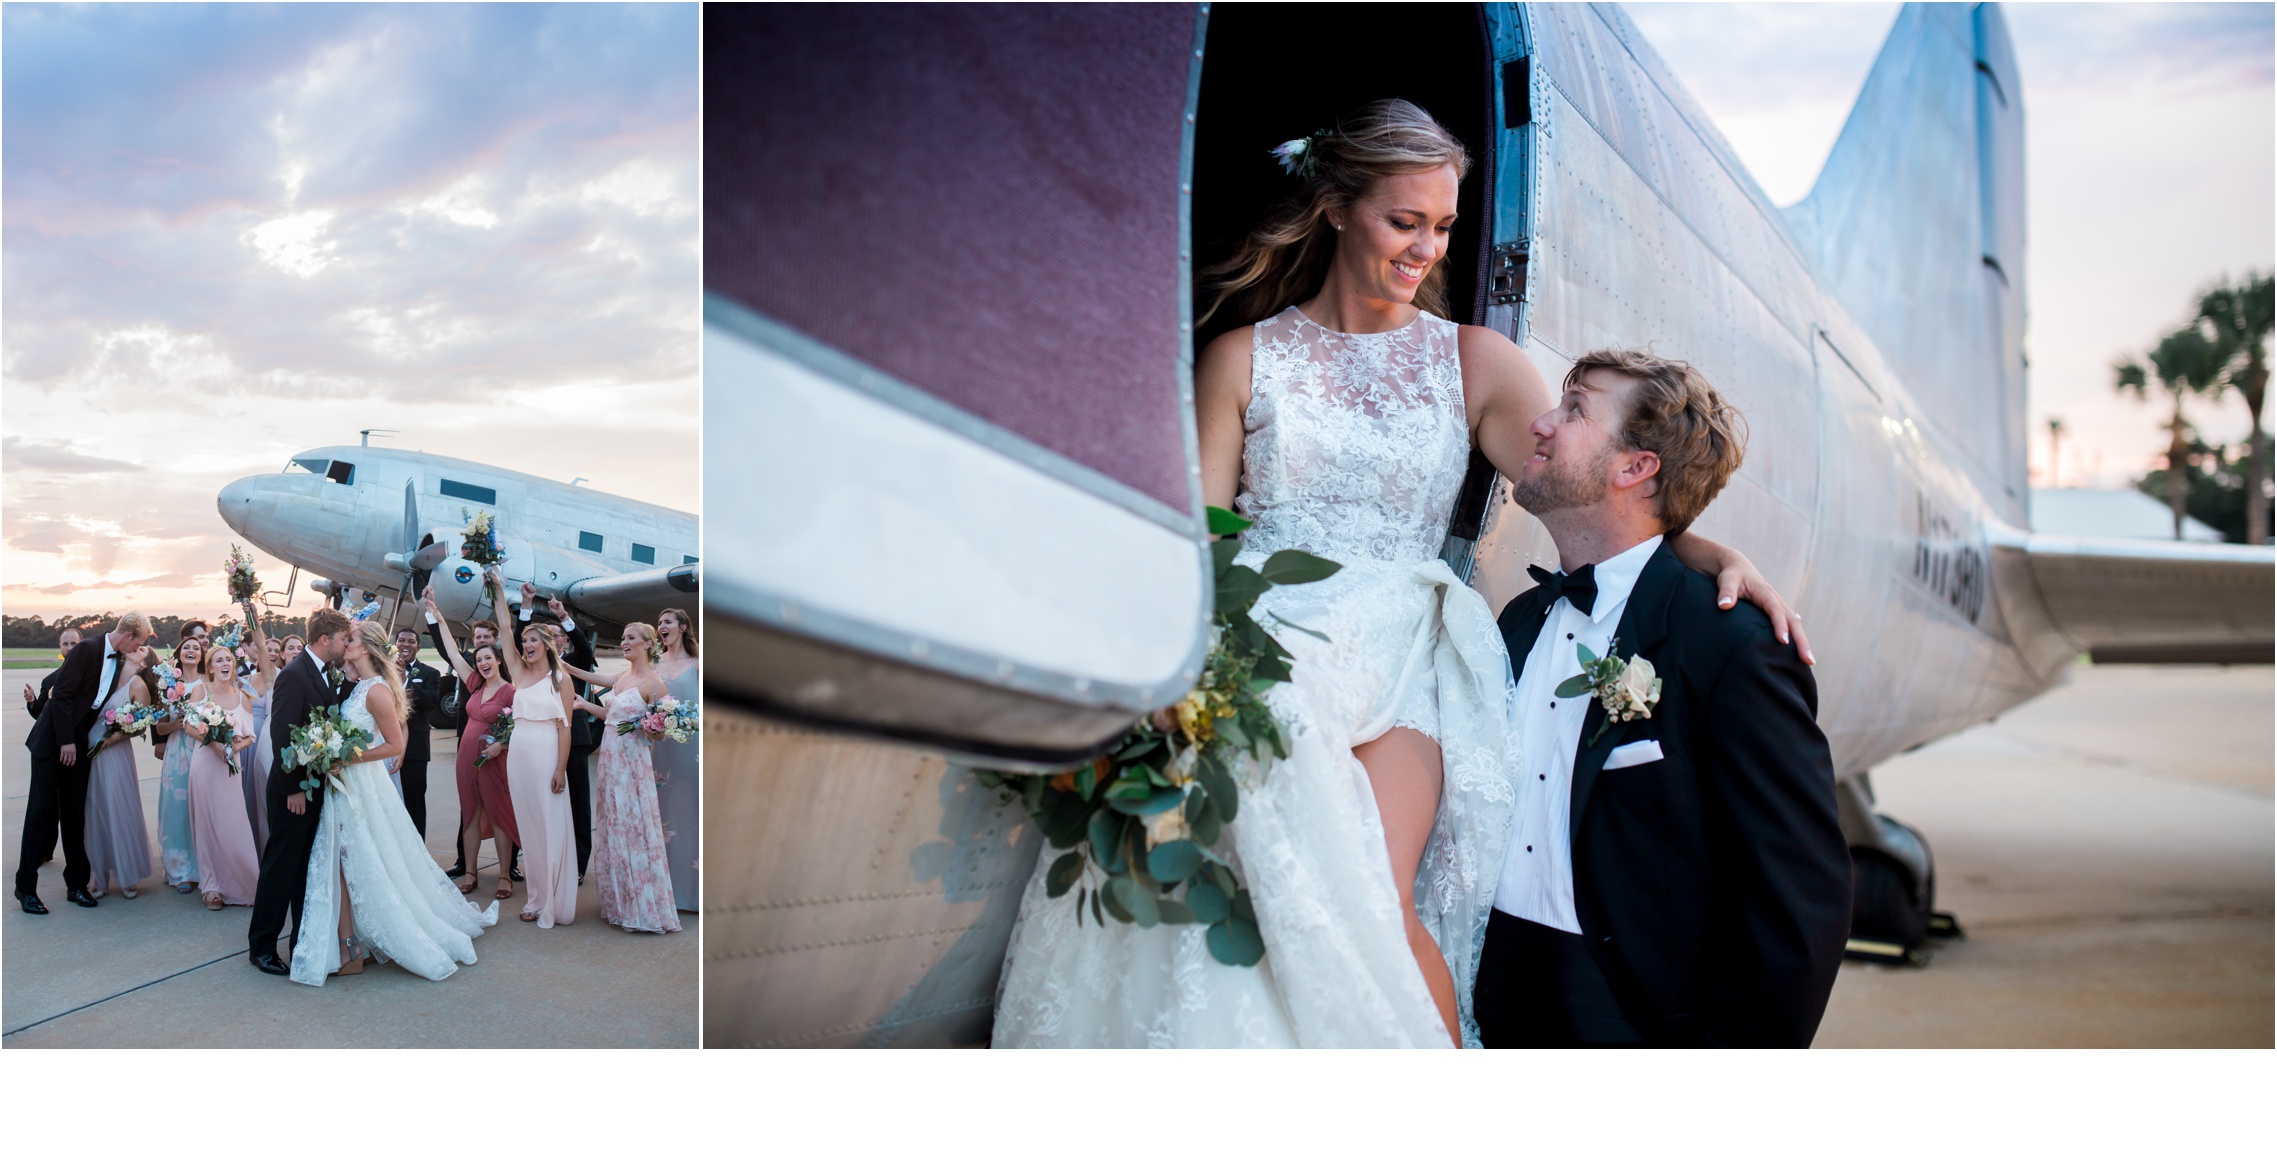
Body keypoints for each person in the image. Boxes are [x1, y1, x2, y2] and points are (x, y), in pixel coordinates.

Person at [991, 100, 1806, 1047]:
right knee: (1231, 888)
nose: (1426, 249)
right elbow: (1200, 544)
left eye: (1444, 226)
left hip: (1402, 657)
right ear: (1336, 207)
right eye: (1403, 221)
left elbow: (1589, 492)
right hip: (1266, 652)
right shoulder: (1241, 357)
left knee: (1370, 894)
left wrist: (1710, 550)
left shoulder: (1474, 362)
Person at [1475, 349, 1851, 1047]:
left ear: (1634, 467)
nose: (1540, 422)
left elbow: (1799, 899)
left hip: (1628, 1016)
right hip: (1484, 999)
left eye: (1574, 408)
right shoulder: (1518, 621)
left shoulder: (1731, 645)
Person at [289, 618, 497, 986]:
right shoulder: (356, 685)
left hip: (360, 783)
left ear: (366, 647)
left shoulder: (377, 691)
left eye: (350, 640)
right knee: (342, 861)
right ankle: (350, 943)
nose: (344, 644)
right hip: (346, 784)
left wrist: (346, 756)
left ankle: (350, 946)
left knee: (354, 860)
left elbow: (394, 745)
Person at [18, 612, 155, 913]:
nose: (140, 648)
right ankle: (25, 888)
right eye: (141, 642)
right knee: (40, 815)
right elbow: (63, 695)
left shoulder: (119, 660)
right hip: (52, 742)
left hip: (78, 746)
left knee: (74, 815)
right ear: (129, 635)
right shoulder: (88, 648)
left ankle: (76, 885)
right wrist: (65, 740)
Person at [248, 608, 353, 977]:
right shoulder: (294, 675)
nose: (345, 645)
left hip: (314, 787)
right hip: (293, 791)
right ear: (326, 639)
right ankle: (261, 947)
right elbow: (282, 735)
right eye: (343, 639)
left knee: (301, 870)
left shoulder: (324, 672)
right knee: (280, 867)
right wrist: (293, 788)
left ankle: (299, 943)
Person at [567, 622, 681, 933]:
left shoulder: (654, 683)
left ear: (648, 644)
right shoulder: (623, 676)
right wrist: (579, 695)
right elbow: (610, 711)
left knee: (632, 827)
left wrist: (651, 728)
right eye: (623, 638)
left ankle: (640, 904)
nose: (624, 642)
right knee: (614, 825)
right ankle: (619, 900)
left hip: (631, 763)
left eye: (630, 638)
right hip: (610, 761)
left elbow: (661, 734)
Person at [488, 572, 576, 926]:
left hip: (546, 755)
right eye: (525, 640)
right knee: (528, 828)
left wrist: (560, 769)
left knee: (548, 825)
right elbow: (504, 629)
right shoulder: (519, 673)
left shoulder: (561, 679)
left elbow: (564, 727)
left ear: (547, 644)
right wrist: (495, 586)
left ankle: (553, 897)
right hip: (519, 757)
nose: (526, 644)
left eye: (533, 640)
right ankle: (537, 895)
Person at [424, 587, 519, 902]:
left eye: (487, 658)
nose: (482, 663)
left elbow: (518, 726)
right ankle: (471, 873)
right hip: (467, 757)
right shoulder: (474, 684)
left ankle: (505, 875)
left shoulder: (510, 691)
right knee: (470, 812)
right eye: (478, 659)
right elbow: (452, 652)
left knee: (500, 812)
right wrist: (437, 616)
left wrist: (501, 746)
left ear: (497, 659)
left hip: (494, 759)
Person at [519, 584, 596, 878]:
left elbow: (586, 650)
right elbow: (518, 641)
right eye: (544, 637)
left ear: (562, 640)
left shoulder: (571, 664)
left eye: (556, 637)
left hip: (573, 741)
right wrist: (526, 608)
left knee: (577, 804)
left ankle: (577, 865)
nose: (550, 641)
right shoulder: (530, 668)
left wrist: (564, 616)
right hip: (540, 744)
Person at [184, 643, 263, 908]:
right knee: (207, 825)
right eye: (218, 660)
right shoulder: (201, 690)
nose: (224, 664)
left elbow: (250, 736)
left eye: (227, 659)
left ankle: (246, 882)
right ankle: (212, 887)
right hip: (205, 764)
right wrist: (215, 743)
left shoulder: (244, 698)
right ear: (210, 668)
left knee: (233, 824)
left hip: (231, 767)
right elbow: (189, 725)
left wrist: (232, 747)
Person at [82, 647, 159, 900]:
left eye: (142, 649)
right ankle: (99, 877)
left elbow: (143, 721)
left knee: (117, 808)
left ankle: (127, 876)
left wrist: (116, 736)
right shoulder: (107, 676)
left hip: (115, 753)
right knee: (94, 811)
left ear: (145, 662)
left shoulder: (138, 684)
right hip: (89, 749)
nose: (136, 648)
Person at [652, 607, 699, 913]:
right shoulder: (654, 664)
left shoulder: (698, 663)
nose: (661, 626)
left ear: (682, 627)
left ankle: (689, 895)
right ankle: (665, 893)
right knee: (663, 818)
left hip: (690, 751)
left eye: (667, 622)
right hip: (659, 752)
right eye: (659, 623)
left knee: (688, 818)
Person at [154, 637, 205, 893]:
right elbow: (159, 726)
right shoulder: (169, 685)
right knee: (176, 810)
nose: (192, 651)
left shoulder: (207, 682)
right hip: (177, 753)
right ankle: (180, 870)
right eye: (187, 647)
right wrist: (175, 725)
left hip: (203, 750)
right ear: (179, 654)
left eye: (196, 648)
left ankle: (203, 867)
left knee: (200, 808)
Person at [393, 624, 442, 839]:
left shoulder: (430, 673)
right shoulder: (382, 670)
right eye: (401, 640)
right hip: (384, 745)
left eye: (411, 641)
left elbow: (431, 702)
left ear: (418, 647)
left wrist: (406, 680)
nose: (405, 644)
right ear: (395, 645)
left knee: (414, 802)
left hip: (415, 750)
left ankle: (417, 848)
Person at [21, 628, 84, 719]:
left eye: (73, 644)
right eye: (65, 644)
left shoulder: (94, 673)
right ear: (60, 646)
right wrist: (32, 701)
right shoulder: (49, 681)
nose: (69, 648)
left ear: (82, 645)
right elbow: (40, 714)